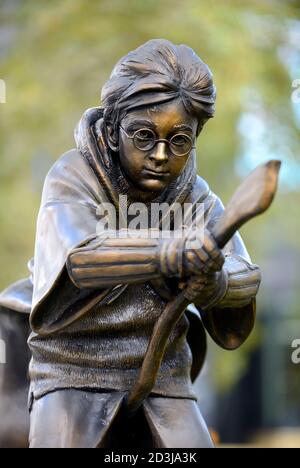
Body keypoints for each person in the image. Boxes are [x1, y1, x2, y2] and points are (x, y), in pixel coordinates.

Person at [0, 39, 261, 448]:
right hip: (74, 369)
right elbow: (83, 258)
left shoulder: (196, 196)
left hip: (164, 375)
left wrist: (218, 284)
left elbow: (245, 272)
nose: (160, 155)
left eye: (179, 140)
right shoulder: (73, 176)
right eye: (143, 136)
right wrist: (170, 253)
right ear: (113, 124)